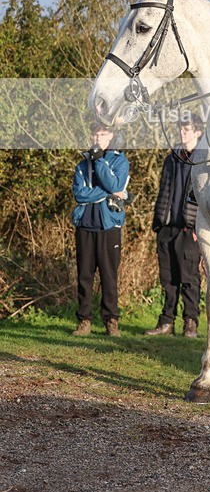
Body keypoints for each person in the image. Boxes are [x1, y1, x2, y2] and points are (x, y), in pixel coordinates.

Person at [145, 112, 204, 339]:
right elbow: (164, 190)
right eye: (181, 128)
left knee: (189, 279)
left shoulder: (204, 159)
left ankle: (190, 323)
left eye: (187, 129)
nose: (182, 132)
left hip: (189, 229)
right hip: (167, 227)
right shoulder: (171, 158)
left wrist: (199, 227)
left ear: (198, 132)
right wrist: (158, 223)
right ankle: (166, 321)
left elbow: (205, 197)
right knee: (168, 278)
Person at [71, 123, 130, 337]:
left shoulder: (120, 161)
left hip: (109, 225)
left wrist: (99, 161)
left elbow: (114, 184)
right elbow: (79, 194)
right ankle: (84, 321)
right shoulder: (81, 164)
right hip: (85, 224)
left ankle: (111, 321)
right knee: (85, 275)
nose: (97, 137)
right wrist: (107, 193)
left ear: (111, 135)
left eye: (103, 133)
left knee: (109, 275)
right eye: (95, 133)